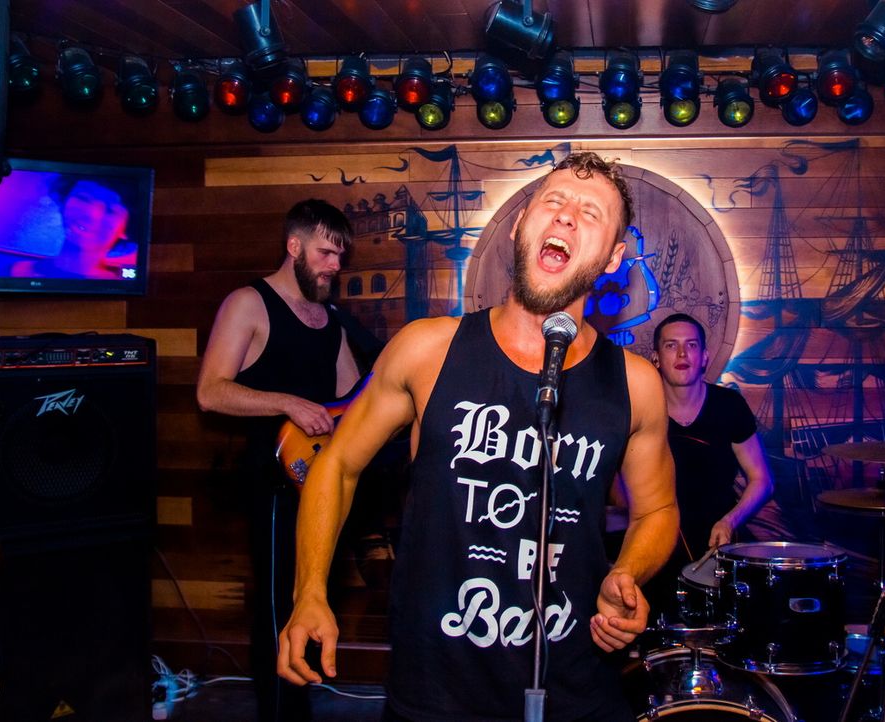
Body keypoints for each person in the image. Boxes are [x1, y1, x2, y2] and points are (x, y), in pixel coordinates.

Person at [277, 152, 679, 721]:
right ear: (520, 226)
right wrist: (310, 592)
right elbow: (337, 465)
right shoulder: (428, 349)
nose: (566, 216)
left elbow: (658, 508)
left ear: (614, 257)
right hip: (436, 692)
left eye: (590, 213)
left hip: (577, 689)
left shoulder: (635, 384)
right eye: (553, 201)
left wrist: (627, 572)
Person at [197, 199, 383, 722]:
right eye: (326, 253)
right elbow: (210, 392)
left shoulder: (331, 318)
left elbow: (351, 400)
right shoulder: (248, 303)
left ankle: (297, 707)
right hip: (272, 480)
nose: (335, 266)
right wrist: (288, 403)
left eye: (341, 256)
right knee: (280, 605)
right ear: (294, 246)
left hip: (320, 481)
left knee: (315, 596)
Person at [639, 312, 774, 623]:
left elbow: (762, 480)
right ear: (656, 358)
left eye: (691, 345)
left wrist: (730, 520)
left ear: (704, 356)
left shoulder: (729, 406)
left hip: (719, 542)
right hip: (656, 542)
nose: (682, 354)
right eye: (671, 345)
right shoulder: (641, 410)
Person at [10, 180, 131, 279]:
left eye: (110, 210)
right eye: (83, 198)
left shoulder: (123, 289)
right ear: (63, 203)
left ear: (127, 227)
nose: (90, 213)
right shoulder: (16, 273)